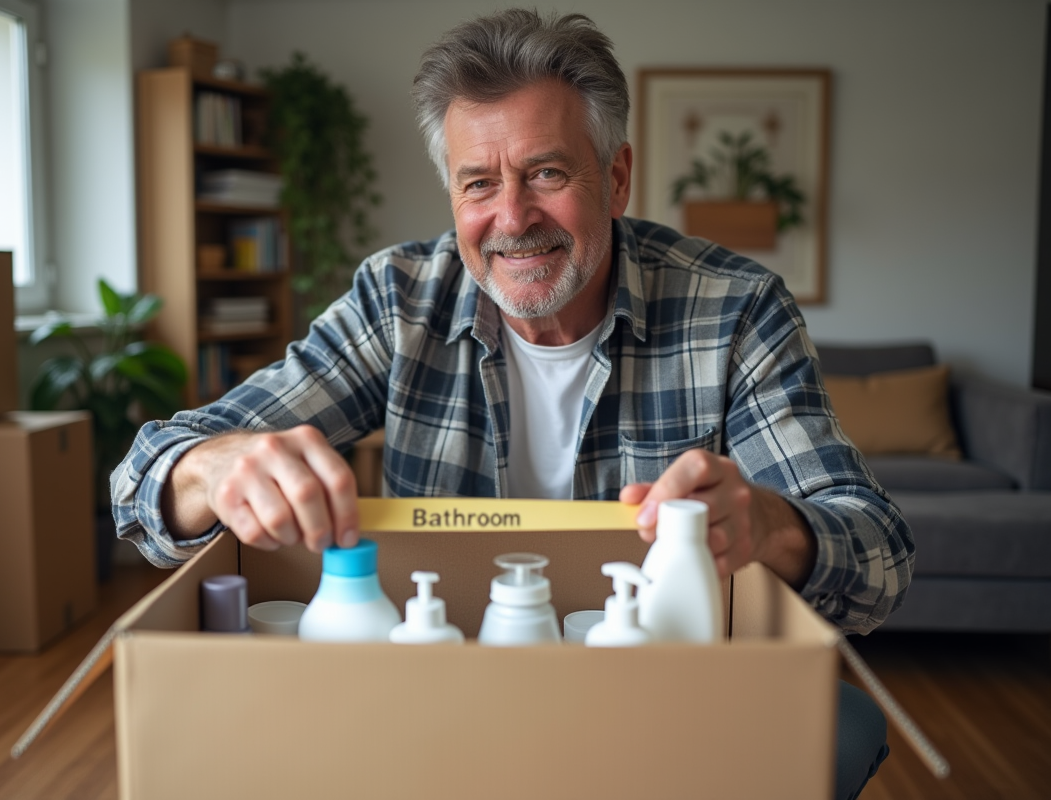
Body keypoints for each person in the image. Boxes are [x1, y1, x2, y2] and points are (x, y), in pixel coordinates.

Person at [113, 10, 912, 799]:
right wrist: (210, 468)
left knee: (828, 730)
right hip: (450, 705)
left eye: (548, 173)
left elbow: (879, 558)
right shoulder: (398, 300)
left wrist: (772, 524)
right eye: (478, 183)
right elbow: (139, 480)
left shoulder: (734, 309)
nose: (513, 217)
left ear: (619, 176)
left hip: (661, 704)